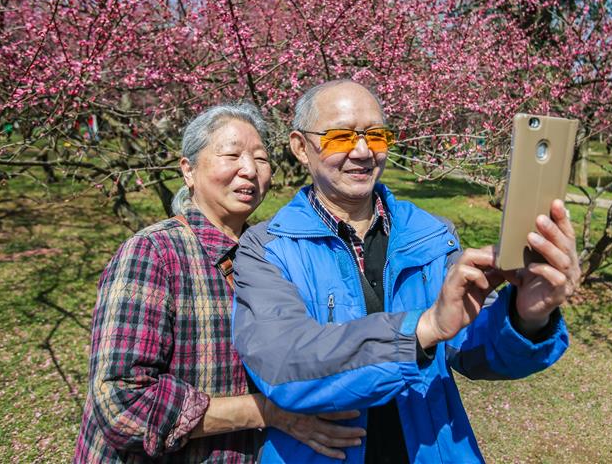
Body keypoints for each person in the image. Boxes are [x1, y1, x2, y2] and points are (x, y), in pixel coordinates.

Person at [232, 81, 580, 463]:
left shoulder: (431, 234)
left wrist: (526, 317)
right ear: (301, 147)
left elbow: (474, 352)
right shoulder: (267, 248)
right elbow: (283, 365)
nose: (363, 151)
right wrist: (424, 328)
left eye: (376, 136)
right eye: (341, 136)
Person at [73, 103, 364, 463]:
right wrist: (268, 412)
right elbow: (120, 403)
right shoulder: (154, 253)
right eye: (231, 155)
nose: (249, 170)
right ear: (188, 171)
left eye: (260, 159)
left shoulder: (271, 253)